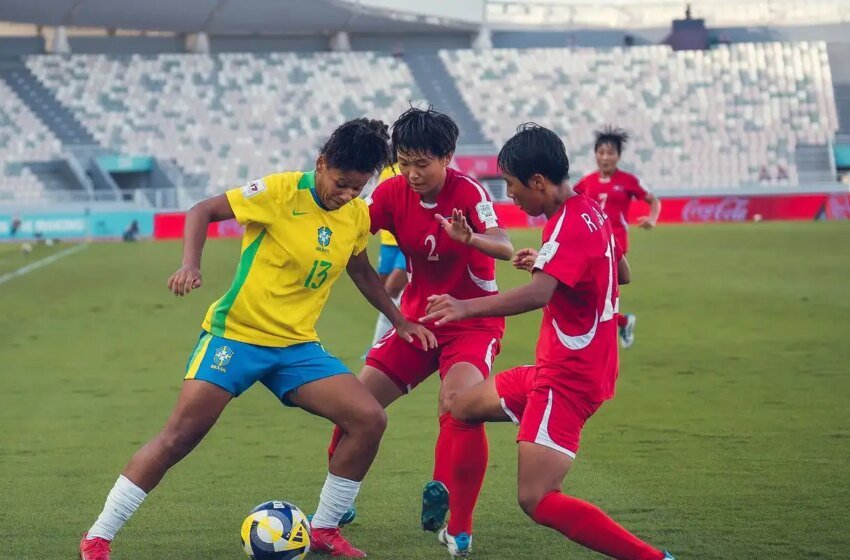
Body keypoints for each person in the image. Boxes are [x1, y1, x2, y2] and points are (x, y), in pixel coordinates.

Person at [78, 118, 436, 560]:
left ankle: (324, 529)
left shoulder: (356, 215)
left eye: (358, 188)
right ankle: (98, 536)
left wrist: (399, 320)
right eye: (342, 183)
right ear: (322, 163)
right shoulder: (279, 191)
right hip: (236, 337)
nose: (347, 195)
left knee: (368, 419)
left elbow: (360, 269)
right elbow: (202, 211)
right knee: (180, 436)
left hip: (296, 347)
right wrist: (191, 264)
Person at [423, 124, 676, 560]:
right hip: (565, 369)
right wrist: (551, 261)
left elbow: (539, 294)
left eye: (512, 185)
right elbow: (622, 272)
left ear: (538, 180)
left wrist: (465, 307)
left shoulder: (567, 224)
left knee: (536, 497)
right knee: (461, 407)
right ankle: (459, 532)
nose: (510, 195)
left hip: (568, 379)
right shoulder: (589, 209)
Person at [326, 107, 514, 557]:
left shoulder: (468, 192)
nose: (411, 173)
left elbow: (505, 245)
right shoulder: (392, 192)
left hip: (471, 322)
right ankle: (339, 501)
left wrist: (470, 239)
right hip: (417, 320)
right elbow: (350, 230)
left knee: (458, 405)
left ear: (447, 157)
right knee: (355, 406)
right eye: (404, 162)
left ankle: (456, 522)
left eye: (422, 164)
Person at [574, 126, 661, 348]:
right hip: (589, 245)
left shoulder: (628, 180)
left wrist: (652, 218)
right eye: (601, 152)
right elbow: (569, 203)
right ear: (595, 154)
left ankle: (603, 338)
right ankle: (622, 322)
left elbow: (653, 200)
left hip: (616, 245)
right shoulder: (586, 182)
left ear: (618, 156)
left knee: (600, 294)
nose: (605, 157)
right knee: (590, 293)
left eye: (610, 153)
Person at [367, 151, 409, 350]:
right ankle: (380, 343)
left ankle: (387, 343)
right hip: (387, 242)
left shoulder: (410, 172)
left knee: (392, 288)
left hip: (405, 242)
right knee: (384, 292)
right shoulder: (386, 172)